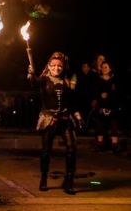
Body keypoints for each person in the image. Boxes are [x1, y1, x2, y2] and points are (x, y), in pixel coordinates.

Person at [28, 52, 84, 195]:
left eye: (59, 66)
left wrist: (78, 117)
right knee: (46, 151)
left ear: (63, 67)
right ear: (49, 66)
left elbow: (72, 103)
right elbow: (33, 83)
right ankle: (43, 180)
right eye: (53, 66)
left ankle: (69, 182)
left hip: (65, 119)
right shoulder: (44, 80)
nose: (56, 69)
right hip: (49, 119)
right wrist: (31, 74)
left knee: (72, 149)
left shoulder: (67, 82)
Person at [92, 61, 120, 153]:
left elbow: (118, 92)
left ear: (110, 68)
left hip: (112, 105)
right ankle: (100, 145)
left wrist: (109, 95)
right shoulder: (98, 79)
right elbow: (94, 91)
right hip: (101, 105)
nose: (103, 69)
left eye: (106, 67)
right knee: (100, 126)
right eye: (102, 67)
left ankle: (114, 146)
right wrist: (100, 95)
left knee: (113, 125)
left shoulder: (114, 79)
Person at [70, 61, 96, 131]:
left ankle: (86, 128)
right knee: (79, 114)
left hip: (89, 99)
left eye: (86, 67)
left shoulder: (93, 76)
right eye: (83, 67)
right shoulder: (76, 75)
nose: (85, 68)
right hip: (79, 99)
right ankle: (79, 128)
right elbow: (72, 86)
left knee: (87, 115)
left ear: (89, 68)